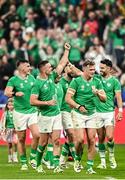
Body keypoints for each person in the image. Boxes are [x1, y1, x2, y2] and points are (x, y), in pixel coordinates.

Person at [30, 43, 71, 173]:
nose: (51, 68)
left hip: (56, 114)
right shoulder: (37, 83)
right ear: (43, 69)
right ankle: (38, 164)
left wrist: (66, 50)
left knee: (57, 141)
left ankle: (56, 166)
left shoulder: (52, 76)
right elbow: (32, 101)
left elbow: (62, 63)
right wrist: (47, 103)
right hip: (45, 116)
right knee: (42, 143)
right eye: (49, 67)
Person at [65, 59, 106, 174]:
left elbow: (105, 99)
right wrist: (78, 106)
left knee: (92, 140)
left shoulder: (97, 81)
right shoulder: (76, 81)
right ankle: (77, 159)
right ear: (84, 69)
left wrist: (97, 93)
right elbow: (67, 99)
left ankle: (89, 167)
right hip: (78, 113)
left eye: (94, 69)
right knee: (80, 140)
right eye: (91, 70)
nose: (93, 72)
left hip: (92, 114)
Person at [4, 60, 40, 170]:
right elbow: (6, 92)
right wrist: (15, 93)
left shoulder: (32, 78)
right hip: (19, 112)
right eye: (27, 66)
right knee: (21, 138)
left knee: (37, 135)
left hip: (32, 111)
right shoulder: (13, 80)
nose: (30, 68)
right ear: (21, 67)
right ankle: (24, 162)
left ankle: (33, 156)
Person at [95, 59, 123, 169]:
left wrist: (120, 111)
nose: (100, 70)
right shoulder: (96, 79)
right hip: (97, 112)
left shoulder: (115, 81)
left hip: (109, 112)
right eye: (100, 67)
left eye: (102, 68)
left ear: (109, 69)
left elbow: (118, 97)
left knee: (110, 137)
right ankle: (102, 162)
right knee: (101, 138)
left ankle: (111, 156)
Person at [1, 98, 18, 163]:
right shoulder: (5, 113)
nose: (11, 106)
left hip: (15, 130)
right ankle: (10, 157)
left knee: (16, 143)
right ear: (7, 106)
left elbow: (18, 121)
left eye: (12, 105)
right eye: (9, 105)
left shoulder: (16, 113)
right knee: (9, 144)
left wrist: (16, 128)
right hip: (8, 130)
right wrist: (3, 129)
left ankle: (15, 156)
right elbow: (2, 122)